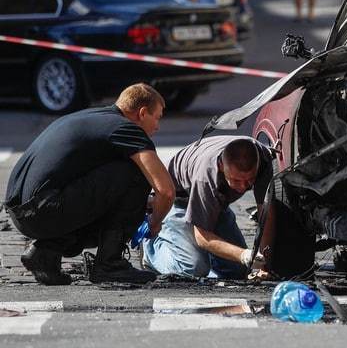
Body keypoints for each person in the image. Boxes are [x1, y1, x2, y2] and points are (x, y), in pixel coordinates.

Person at [2, 84, 175, 285]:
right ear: (142, 113)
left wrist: (141, 203)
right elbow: (166, 191)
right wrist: (154, 222)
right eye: (157, 117)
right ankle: (110, 264)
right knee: (135, 173)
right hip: (44, 211)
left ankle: (46, 252)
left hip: (22, 212)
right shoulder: (126, 128)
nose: (157, 126)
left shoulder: (93, 117)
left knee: (125, 188)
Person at [142, 136, 313, 280]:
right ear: (222, 167)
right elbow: (201, 236)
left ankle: (203, 254)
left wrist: (263, 263)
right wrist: (243, 255)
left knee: (237, 271)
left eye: (249, 180)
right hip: (176, 201)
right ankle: (150, 250)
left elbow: (266, 214)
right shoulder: (206, 176)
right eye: (236, 180)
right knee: (193, 268)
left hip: (216, 203)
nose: (243, 187)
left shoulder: (262, 159)